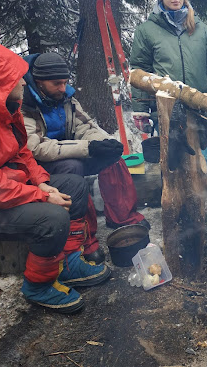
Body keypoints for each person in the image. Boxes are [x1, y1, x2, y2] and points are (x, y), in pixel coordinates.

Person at [0, 42, 110, 314]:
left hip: (5, 186)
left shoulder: (4, 106)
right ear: (0, 82)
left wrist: (41, 182)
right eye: (17, 77)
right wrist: (43, 196)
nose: (22, 82)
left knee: (74, 186)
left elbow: (23, 153)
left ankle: (68, 261)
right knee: (52, 217)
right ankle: (38, 286)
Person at [21, 52, 148, 264]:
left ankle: (122, 218)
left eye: (65, 82)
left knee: (112, 156)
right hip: (39, 168)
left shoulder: (66, 99)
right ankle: (84, 240)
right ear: (39, 82)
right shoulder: (25, 105)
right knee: (72, 167)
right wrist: (87, 147)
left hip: (73, 150)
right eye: (56, 84)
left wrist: (101, 142)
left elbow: (85, 126)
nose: (63, 88)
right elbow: (36, 148)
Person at [129, 0, 207, 145]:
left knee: (201, 164)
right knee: (171, 166)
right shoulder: (147, 30)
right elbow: (140, 71)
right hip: (166, 112)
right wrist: (141, 110)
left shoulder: (201, 30)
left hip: (199, 109)